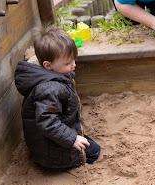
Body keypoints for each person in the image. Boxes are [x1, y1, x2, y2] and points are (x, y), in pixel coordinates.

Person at [14, 26, 101, 169]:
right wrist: (72, 138)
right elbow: (48, 122)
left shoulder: (58, 76)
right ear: (48, 65)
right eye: (67, 63)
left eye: (74, 60)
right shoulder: (49, 89)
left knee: (87, 142)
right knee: (94, 152)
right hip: (49, 152)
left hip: (53, 138)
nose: (74, 65)